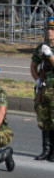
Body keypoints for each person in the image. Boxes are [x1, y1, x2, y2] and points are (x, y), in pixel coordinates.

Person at [30, 17, 54, 162]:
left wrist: (50, 55)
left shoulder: (47, 50)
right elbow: (33, 66)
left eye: (52, 29)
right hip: (43, 89)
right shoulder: (41, 47)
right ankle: (46, 149)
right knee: (44, 120)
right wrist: (37, 79)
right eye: (48, 29)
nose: (49, 32)